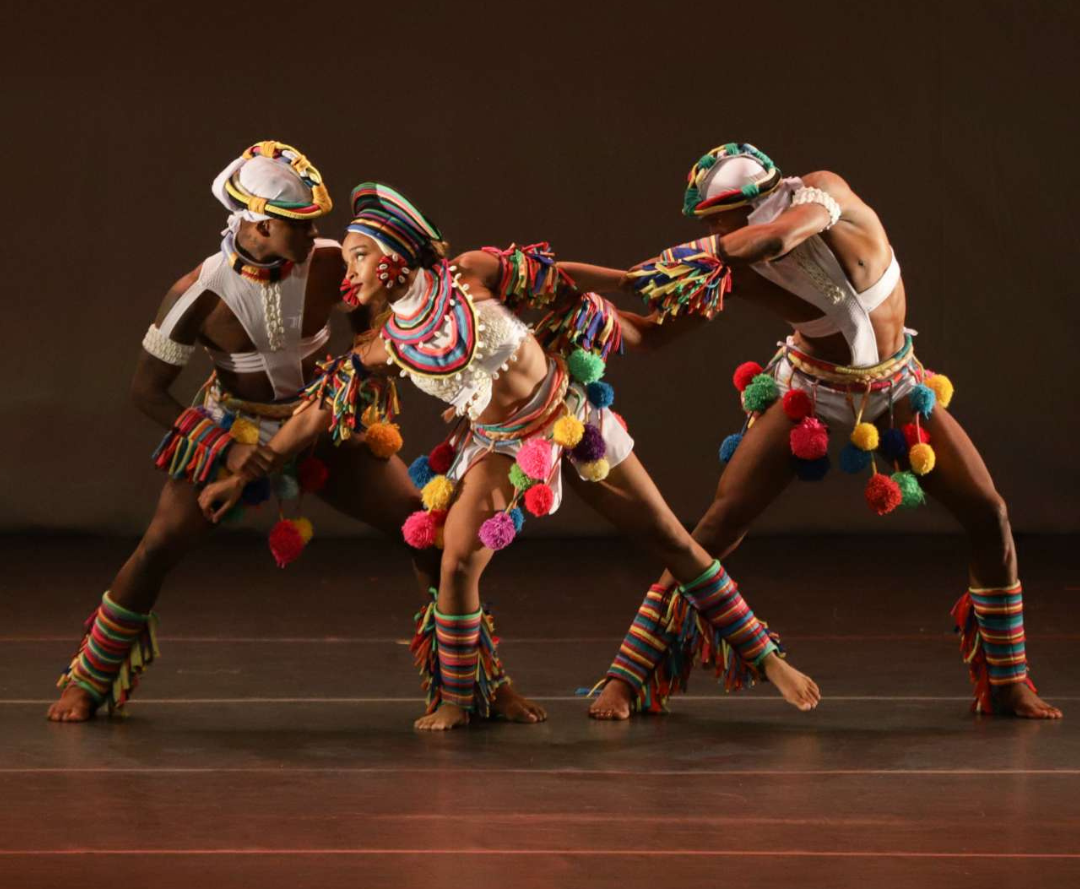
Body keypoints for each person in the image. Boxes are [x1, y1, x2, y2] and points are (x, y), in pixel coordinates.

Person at [200, 182, 822, 731]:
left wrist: (630, 283)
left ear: (396, 255)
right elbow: (318, 410)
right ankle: (459, 698)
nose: (348, 269)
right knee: (456, 562)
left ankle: (769, 660)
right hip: (498, 446)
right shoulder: (387, 344)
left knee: (672, 541)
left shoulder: (470, 274)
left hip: (569, 418)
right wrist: (253, 468)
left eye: (359, 255)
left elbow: (562, 277)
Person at [586, 141, 1061, 721]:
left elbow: (777, 239)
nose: (711, 231)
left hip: (896, 388)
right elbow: (653, 334)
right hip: (809, 390)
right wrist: (590, 309)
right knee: (717, 527)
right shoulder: (729, 266)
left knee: (990, 514)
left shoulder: (821, 194)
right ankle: (628, 674)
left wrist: (691, 254)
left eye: (717, 219)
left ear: (753, 205)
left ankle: (1008, 682)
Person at [48, 141, 432, 723]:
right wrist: (224, 447)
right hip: (234, 429)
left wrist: (361, 374)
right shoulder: (198, 293)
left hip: (320, 419)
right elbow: (146, 391)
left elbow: (366, 327)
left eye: (315, 224)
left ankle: (469, 681)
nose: (315, 235)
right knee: (158, 546)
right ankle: (89, 679)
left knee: (421, 529)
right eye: (301, 225)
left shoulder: (332, 262)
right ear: (260, 224)